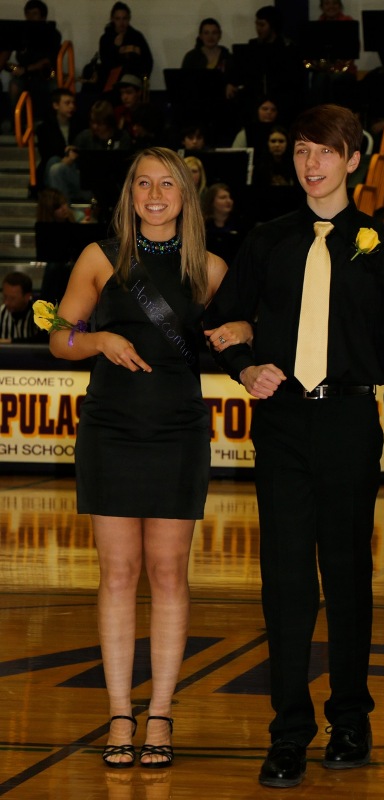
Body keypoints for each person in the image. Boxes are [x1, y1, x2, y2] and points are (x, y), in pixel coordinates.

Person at [204, 103, 384, 788]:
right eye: (302, 150)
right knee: (286, 580)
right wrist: (245, 368)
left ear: (353, 160)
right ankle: (288, 731)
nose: (311, 163)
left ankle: (350, 720)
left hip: (351, 422)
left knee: (348, 577)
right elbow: (221, 320)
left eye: (325, 151)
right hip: (282, 424)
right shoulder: (267, 239)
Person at [47, 146, 252, 769]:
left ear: (186, 195)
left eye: (167, 184)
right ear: (129, 194)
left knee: (168, 576)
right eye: (144, 184)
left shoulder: (210, 268)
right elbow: (58, 335)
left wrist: (245, 331)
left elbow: (242, 333)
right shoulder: (99, 257)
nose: (155, 195)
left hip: (178, 432)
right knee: (117, 575)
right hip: (110, 428)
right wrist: (98, 340)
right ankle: (119, 713)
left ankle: (159, 713)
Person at [0, 0, 62, 124]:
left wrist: (25, 69)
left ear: (43, 17)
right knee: (14, 85)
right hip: (24, 71)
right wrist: (14, 68)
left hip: (48, 71)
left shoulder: (52, 33)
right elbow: (8, 59)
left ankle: (51, 122)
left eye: (34, 14)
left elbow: (47, 61)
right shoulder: (21, 33)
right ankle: (16, 122)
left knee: (53, 86)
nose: (30, 17)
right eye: (27, 14)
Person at [98, 2, 153, 93]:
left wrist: (143, 79)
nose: (121, 22)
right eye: (118, 19)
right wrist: (116, 47)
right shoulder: (106, 39)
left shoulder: (137, 37)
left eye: (124, 18)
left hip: (134, 81)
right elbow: (107, 64)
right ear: (112, 19)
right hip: (113, 83)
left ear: (129, 19)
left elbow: (148, 61)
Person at [36, 87, 84, 189]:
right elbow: (46, 153)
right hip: (55, 162)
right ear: (56, 105)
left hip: (76, 166)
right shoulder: (44, 128)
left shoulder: (80, 124)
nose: (72, 106)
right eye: (67, 103)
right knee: (53, 161)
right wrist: (65, 157)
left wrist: (73, 154)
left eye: (73, 103)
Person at [203, 183, 246, 267]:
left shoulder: (240, 224)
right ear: (211, 201)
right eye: (223, 198)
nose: (228, 201)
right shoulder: (203, 225)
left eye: (230, 197)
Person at [0, 271, 43, 342]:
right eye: (5, 297)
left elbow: (44, 341)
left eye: (12, 298)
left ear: (27, 297)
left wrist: (10, 341)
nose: (6, 302)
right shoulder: (1, 313)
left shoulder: (40, 314)